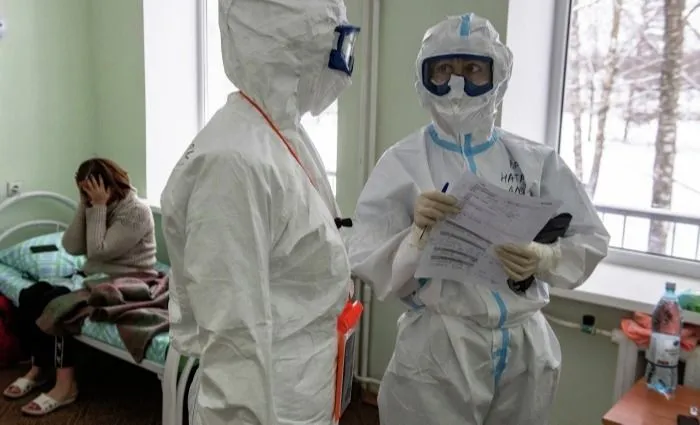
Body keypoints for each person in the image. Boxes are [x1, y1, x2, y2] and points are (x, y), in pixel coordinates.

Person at [348, 13, 610, 425]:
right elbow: (365, 254)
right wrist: (414, 236)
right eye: (443, 70)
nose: (457, 84)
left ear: (498, 75)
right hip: (440, 347)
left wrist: (547, 258)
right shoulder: (402, 162)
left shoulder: (535, 161)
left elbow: (591, 236)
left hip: (525, 347)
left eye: (472, 69)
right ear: (424, 77)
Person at [159, 0, 359, 423]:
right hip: (271, 401)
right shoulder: (234, 161)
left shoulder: (279, 133)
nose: (342, 64)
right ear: (294, 44)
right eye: (336, 42)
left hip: (304, 381)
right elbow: (234, 341)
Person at [2, 158, 157, 417]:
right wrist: (85, 206)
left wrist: (97, 207)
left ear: (109, 185)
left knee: (57, 303)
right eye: (83, 190)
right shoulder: (94, 205)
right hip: (95, 276)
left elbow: (98, 250)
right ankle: (39, 368)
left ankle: (66, 386)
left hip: (129, 279)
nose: (87, 195)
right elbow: (71, 246)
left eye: (90, 189)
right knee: (31, 295)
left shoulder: (136, 211)